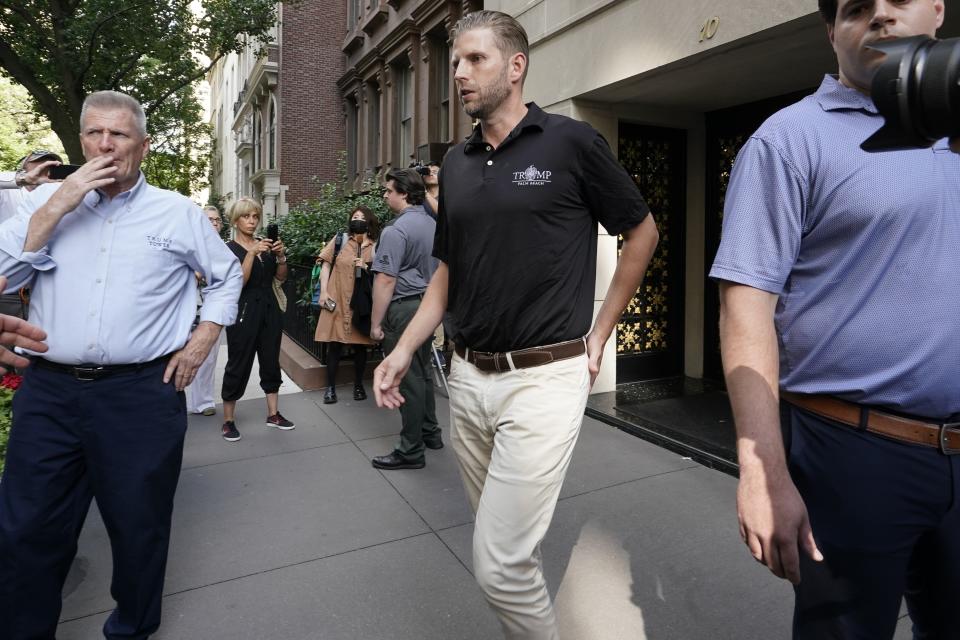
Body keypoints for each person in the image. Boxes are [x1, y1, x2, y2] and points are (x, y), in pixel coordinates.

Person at [373, 11, 659, 639]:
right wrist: (403, 347)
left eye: (475, 60)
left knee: (498, 566)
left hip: (544, 377)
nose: (460, 74)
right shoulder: (457, 164)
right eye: (455, 62)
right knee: (511, 556)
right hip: (468, 382)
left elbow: (642, 231)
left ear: (516, 65)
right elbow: (448, 271)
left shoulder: (571, 143)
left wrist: (601, 332)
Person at [709, 1, 960, 638]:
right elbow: (746, 305)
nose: (879, 16)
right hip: (852, 453)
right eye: (855, 8)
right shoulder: (789, 139)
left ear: (937, 9)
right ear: (831, 32)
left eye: (899, 0)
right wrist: (762, 472)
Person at [0, 90, 243, 640]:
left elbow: (227, 276)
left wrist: (202, 338)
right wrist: (56, 206)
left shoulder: (178, 213)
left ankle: (131, 629)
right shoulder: (48, 209)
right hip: (50, 395)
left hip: (139, 395)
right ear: (80, 141)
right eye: (93, 134)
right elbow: (4, 274)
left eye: (119, 135)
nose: (104, 145)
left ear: (144, 147)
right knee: (25, 530)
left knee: (138, 528)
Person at [369, 168, 442, 470]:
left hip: (404, 308)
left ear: (403, 192)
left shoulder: (394, 231)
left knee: (407, 379)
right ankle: (430, 433)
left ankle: (411, 450)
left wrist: (375, 324)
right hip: (429, 306)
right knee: (422, 371)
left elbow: (385, 280)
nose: (385, 195)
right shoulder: (434, 223)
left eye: (388, 190)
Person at [220, 197, 295, 442]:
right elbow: (238, 283)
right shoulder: (229, 249)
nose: (252, 221)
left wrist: (281, 257)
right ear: (235, 219)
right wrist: (251, 253)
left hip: (269, 310)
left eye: (255, 216)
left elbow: (281, 278)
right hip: (244, 312)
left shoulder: (264, 244)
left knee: (270, 361)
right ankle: (228, 420)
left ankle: (273, 414)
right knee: (238, 363)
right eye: (246, 216)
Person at [314, 205, 378, 404]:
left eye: (361, 217)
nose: (357, 219)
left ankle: (358, 385)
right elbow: (325, 263)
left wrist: (366, 267)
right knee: (334, 345)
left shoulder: (376, 245)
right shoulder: (341, 240)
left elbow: (382, 275)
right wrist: (324, 292)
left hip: (360, 303)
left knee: (360, 347)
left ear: (368, 221)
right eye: (354, 216)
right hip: (337, 299)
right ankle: (330, 388)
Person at [0, 151, 64, 319]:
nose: (47, 170)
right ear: (24, 169)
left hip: (43, 292)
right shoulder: (8, 193)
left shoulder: (67, 199)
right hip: (7, 289)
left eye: (54, 166)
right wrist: (22, 180)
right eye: (39, 164)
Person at [185, 205, 226, 416]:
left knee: (209, 358)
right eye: (209, 219)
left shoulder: (223, 249)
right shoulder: (189, 245)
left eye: (217, 220)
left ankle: (204, 401)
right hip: (187, 312)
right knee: (182, 356)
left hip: (213, 312)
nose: (214, 223)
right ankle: (181, 399)